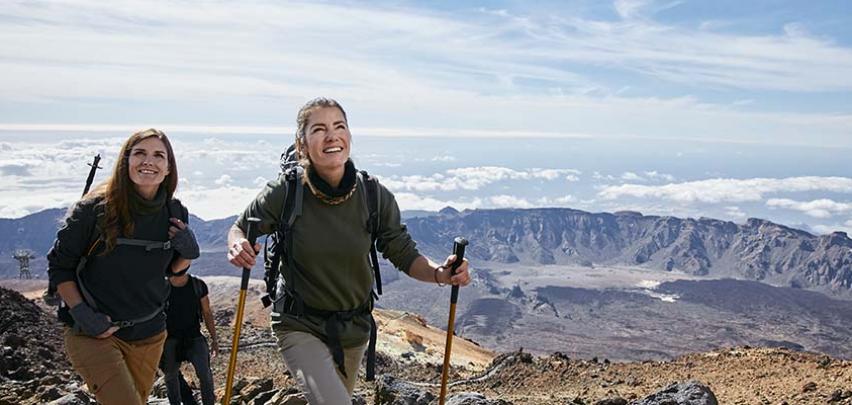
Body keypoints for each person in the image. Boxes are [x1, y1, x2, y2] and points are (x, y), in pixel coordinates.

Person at [227, 97, 471, 404]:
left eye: (339, 126)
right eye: (319, 129)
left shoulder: (373, 195)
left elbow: (404, 253)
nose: (331, 135)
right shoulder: (285, 192)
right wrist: (237, 244)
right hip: (298, 323)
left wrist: (441, 273)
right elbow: (239, 228)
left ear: (349, 136)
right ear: (302, 145)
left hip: (354, 330)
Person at [47, 128, 200, 405]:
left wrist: (188, 255)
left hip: (149, 335)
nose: (148, 161)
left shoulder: (175, 213)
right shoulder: (93, 211)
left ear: (168, 168)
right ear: (125, 161)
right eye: (140, 153)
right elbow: (60, 266)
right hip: (94, 333)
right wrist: (81, 312)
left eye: (158, 155)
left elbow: (171, 273)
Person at [160, 272, 218, 405]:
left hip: (194, 337)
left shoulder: (197, 286)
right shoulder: (162, 287)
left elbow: (207, 313)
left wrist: (214, 340)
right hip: (170, 339)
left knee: (205, 376)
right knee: (170, 377)